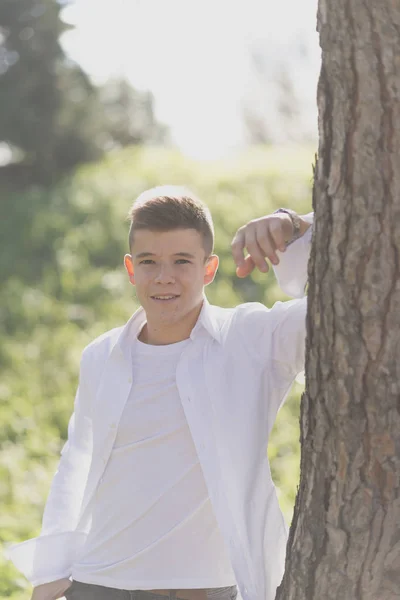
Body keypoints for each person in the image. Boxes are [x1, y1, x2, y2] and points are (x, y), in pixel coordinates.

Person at [6, 186, 313, 600]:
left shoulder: (252, 340)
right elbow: (76, 460)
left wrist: (299, 227)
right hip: (98, 583)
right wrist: (51, 572)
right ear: (131, 270)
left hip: (203, 587)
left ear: (209, 268)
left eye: (182, 261)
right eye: (149, 262)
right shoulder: (102, 355)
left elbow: (338, 307)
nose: (164, 276)